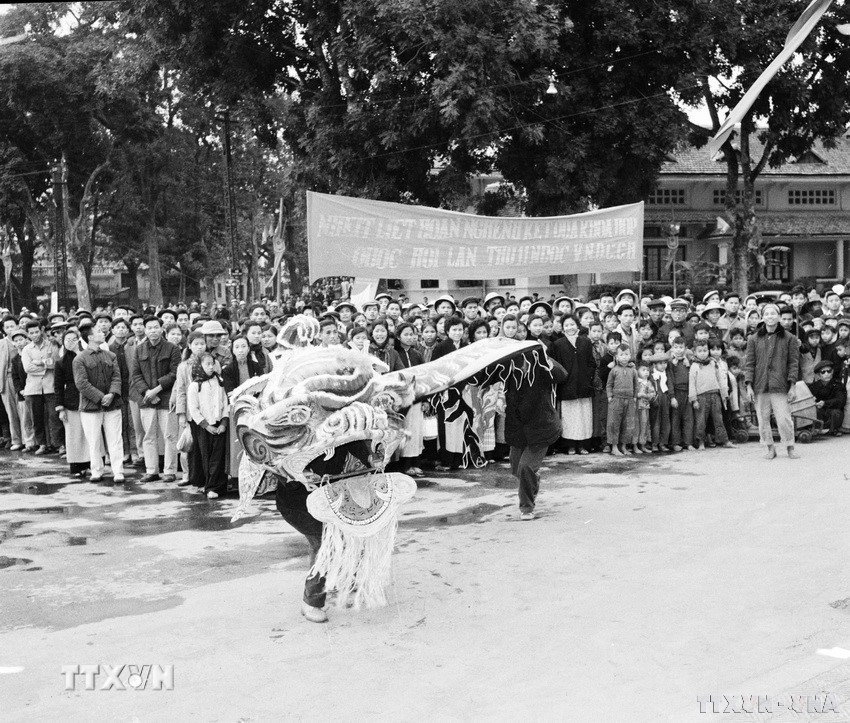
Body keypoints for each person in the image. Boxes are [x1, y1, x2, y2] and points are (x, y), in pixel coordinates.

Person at [504, 350, 567, 520]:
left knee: (526, 468)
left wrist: (545, 356)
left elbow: (561, 375)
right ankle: (532, 480)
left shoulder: (540, 364)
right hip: (517, 427)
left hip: (541, 426)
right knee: (517, 468)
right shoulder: (508, 364)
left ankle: (526, 507)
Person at [744, 303, 800, 459]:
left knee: (783, 419)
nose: (770, 316)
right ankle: (769, 447)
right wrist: (748, 385)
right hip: (759, 385)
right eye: (766, 313)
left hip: (780, 385)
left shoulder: (789, 338)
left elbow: (793, 363)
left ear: (779, 317)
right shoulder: (753, 339)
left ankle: (790, 446)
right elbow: (749, 363)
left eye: (773, 313)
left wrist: (792, 386)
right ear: (762, 317)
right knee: (763, 419)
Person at [130, 316, 181, 482]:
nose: (153, 331)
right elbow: (135, 374)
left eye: (156, 327)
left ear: (162, 329)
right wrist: (147, 392)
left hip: (166, 398)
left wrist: (157, 389)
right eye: (149, 328)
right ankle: (151, 470)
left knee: (170, 436)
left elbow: (175, 373)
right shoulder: (139, 349)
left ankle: (169, 471)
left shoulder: (172, 348)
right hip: (146, 400)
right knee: (149, 436)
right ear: (145, 330)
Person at [73, 324, 125, 482]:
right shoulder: (79, 359)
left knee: (115, 439)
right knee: (93, 440)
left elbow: (117, 377)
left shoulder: (111, 355)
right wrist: (102, 397)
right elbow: (81, 383)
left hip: (112, 405)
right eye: (99, 332)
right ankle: (97, 470)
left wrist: (112, 394)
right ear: (89, 337)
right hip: (91, 407)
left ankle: (118, 471)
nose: (103, 333)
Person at [187, 353, 229, 499]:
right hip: (203, 426)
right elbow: (193, 409)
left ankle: (216, 486)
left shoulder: (219, 381)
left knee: (218, 456)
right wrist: (206, 425)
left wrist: (224, 422)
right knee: (205, 455)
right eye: (207, 364)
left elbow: (225, 403)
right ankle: (207, 485)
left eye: (213, 363)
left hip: (219, 424)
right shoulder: (195, 385)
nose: (211, 367)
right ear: (200, 366)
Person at [551, 315, 595, 454]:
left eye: (572, 324)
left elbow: (591, 362)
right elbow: (556, 365)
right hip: (567, 387)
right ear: (563, 328)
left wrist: (588, 376)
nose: (570, 327)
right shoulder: (558, 344)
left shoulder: (586, 342)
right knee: (569, 418)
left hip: (583, 386)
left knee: (584, 417)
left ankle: (582, 445)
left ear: (577, 325)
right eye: (567, 325)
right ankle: (570, 445)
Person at [54, 328, 91, 479]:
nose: (71, 342)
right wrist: (60, 407)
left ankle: (93, 464)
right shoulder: (61, 362)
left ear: (79, 339)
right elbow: (58, 386)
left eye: (73, 339)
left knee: (91, 434)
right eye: (67, 340)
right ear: (63, 343)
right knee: (74, 435)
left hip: (89, 398)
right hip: (71, 401)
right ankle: (77, 466)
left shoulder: (88, 356)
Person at [21, 319, 60, 454]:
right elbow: (28, 368)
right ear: (28, 334)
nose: (35, 335)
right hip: (33, 388)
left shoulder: (51, 345)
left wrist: (41, 362)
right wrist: (46, 366)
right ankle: (42, 444)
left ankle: (58, 444)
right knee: (36, 418)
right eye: (31, 333)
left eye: (37, 331)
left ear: (41, 330)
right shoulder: (26, 349)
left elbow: (55, 363)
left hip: (50, 386)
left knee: (54, 417)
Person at [688, 341, 734, 451]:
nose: (703, 353)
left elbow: (720, 379)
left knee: (719, 419)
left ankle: (725, 440)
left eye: (705, 351)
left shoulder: (713, 363)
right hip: (701, 397)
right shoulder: (694, 366)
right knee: (701, 421)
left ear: (708, 351)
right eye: (700, 351)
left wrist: (724, 394)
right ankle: (701, 442)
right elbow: (692, 383)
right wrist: (694, 400)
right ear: (695, 352)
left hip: (715, 395)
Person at [606, 344, 638, 456]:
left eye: (626, 354)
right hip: (616, 399)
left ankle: (624, 446)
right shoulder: (614, 370)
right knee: (614, 423)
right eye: (621, 355)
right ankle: (614, 447)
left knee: (627, 424)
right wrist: (610, 396)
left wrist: (634, 397)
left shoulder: (633, 370)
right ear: (617, 357)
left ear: (630, 355)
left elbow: (636, 384)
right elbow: (609, 384)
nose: (624, 357)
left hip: (629, 400)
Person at [0, 316, 23, 450]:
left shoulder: (22, 340)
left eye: (12, 326)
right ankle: (16, 439)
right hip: (7, 378)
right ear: (3, 329)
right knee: (11, 410)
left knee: (23, 410)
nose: (10, 329)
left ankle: (28, 440)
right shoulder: (2, 343)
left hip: (20, 378)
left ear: (17, 326)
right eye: (7, 327)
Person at [808, 359, 846, 436]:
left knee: (837, 413)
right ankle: (817, 429)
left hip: (832, 412)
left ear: (832, 372)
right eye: (823, 372)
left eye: (829, 371)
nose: (827, 374)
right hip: (820, 413)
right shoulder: (813, 387)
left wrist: (825, 403)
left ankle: (833, 430)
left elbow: (841, 401)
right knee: (814, 410)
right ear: (818, 375)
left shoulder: (838, 385)